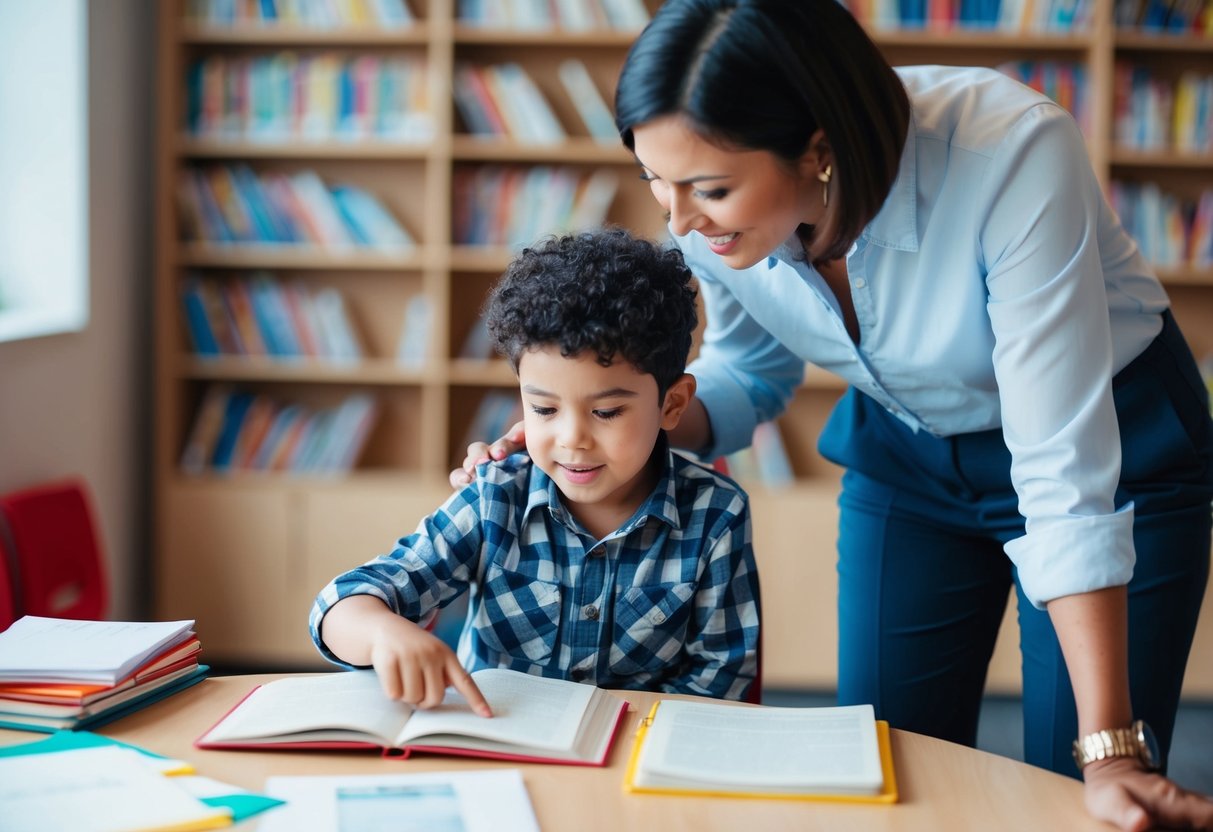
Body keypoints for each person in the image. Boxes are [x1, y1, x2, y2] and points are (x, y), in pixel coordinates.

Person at [450, 1, 1213, 828]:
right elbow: (746, 370)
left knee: (1084, 789)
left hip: (1107, 443)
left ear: (818, 149)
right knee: (888, 762)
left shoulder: (1009, 151)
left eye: (709, 189)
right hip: (907, 449)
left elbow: (1060, 464)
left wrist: (1112, 751)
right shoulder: (709, 223)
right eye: (655, 183)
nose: (679, 224)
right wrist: (605, 433)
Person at [312, 228, 761, 714]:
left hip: (633, 758)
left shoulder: (717, 516)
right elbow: (343, 602)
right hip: (497, 747)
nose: (572, 439)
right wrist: (382, 633)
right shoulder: (494, 497)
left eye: (606, 412)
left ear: (671, 404)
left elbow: (720, 676)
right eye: (544, 409)